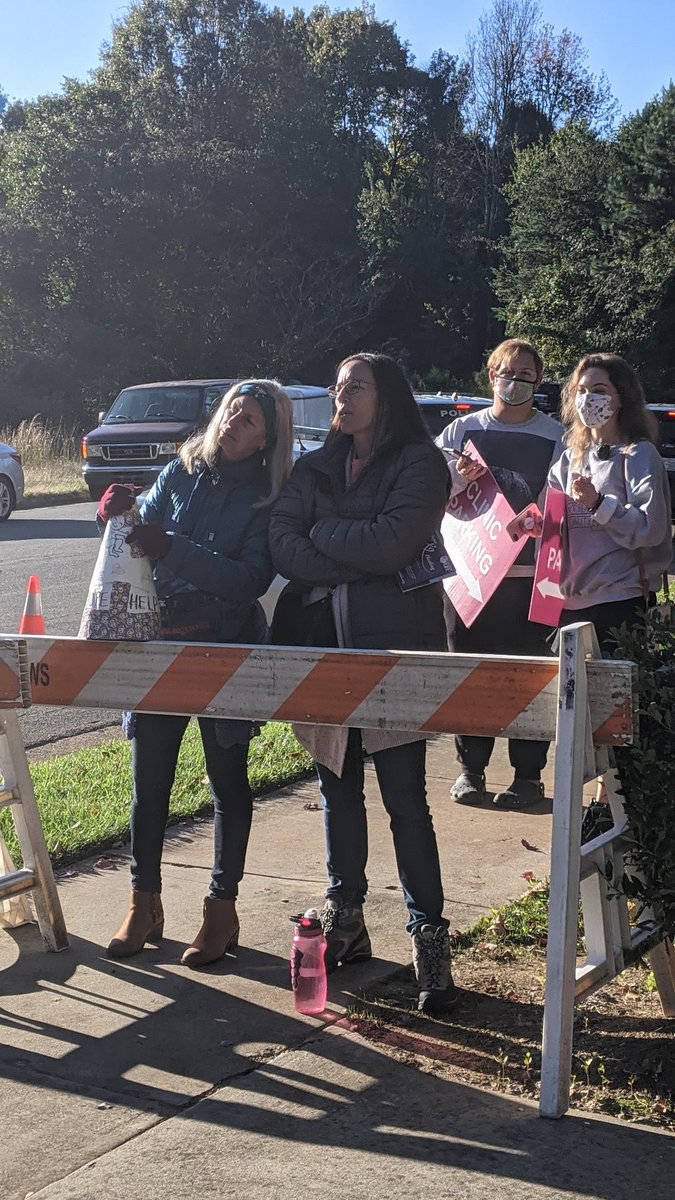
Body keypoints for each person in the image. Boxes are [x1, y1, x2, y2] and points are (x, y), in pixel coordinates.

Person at [269, 352, 456, 1013]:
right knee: (335, 789)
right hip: (317, 647)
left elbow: (394, 543)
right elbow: (279, 540)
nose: (341, 396)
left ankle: (429, 942)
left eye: (356, 387)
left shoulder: (420, 463)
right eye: (336, 387)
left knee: (406, 800)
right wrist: (348, 549)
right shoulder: (313, 466)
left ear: (389, 396)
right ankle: (346, 918)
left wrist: (325, 537)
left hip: (393, 647)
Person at [99, 380, 294, 967]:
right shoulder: (179, 469)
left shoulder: (267, 496)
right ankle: (144, 901)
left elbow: (249, 580)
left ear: (268, 440)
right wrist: (118, 515)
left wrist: (170, 547)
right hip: (159, 639)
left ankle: (220, 908)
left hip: (226, 644)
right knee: (149, 780)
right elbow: (136, 542)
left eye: (252, 420)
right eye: (233, 408)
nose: (235, 420)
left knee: (226, 780)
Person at [436, 338, 564, 810]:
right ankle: (470, 769)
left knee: (529, 677)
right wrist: (460, 475)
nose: (516, 381)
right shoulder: (459, 432)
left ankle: (528, 777)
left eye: (527, 374)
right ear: (492, 375)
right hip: (470, 578)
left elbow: (563, 502)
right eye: (508, 372)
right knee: (470, 675)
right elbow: (431, 489)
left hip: (532, 579)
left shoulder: (557, 437)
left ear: (538, 380)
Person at [548, 353, 671, 650]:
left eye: (600, 391)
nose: (588, 399)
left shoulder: (639, 455)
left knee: (615, 696)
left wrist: (598, 504)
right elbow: (552, 525)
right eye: (581, 391)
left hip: (621, 600)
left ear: (622, 398)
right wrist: (533, 523)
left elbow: (650, 530)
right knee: (568, 696)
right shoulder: (568, 460)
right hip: (569, 603)